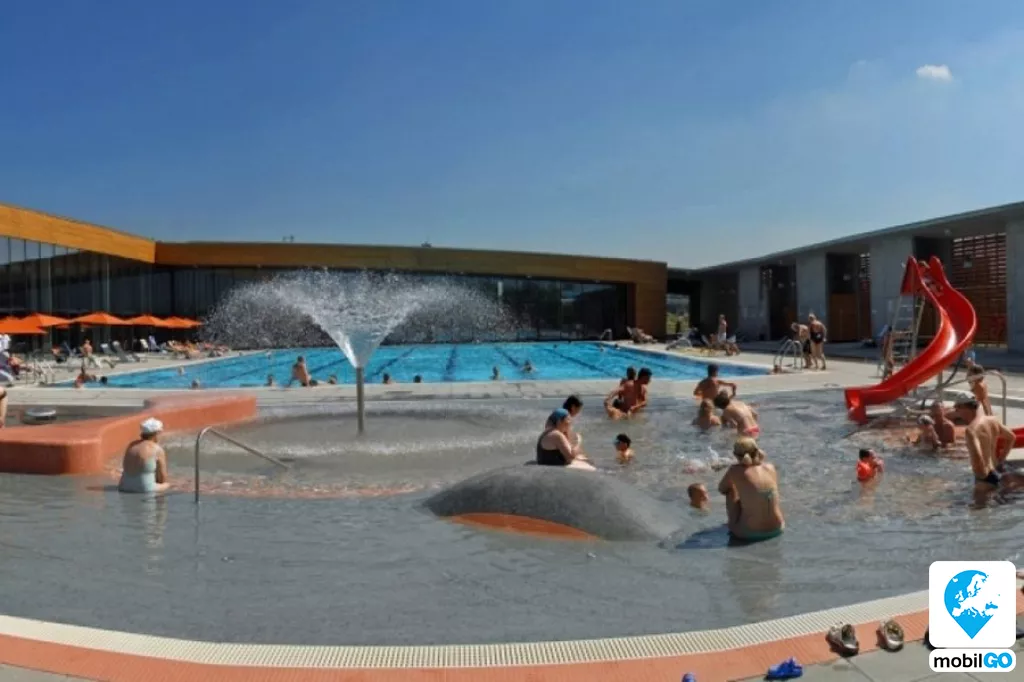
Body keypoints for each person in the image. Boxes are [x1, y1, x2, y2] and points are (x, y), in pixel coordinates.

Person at [717, 437, 784, 541]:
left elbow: (722, 489)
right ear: (757, 451)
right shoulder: (770, 467)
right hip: (777, 528)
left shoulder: (735, 470)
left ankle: (733, 523)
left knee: (730, 490)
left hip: (749, 533)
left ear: (735, 455)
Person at [954, 397, 1022, 493]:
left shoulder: (971, 430)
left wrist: (981, 478)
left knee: (978, 502)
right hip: (997, 470)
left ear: (965, 407)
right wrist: (1001, 458)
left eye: (957, 409)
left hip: (985, 478)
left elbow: (977, 458)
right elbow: (1011, 437)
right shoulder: (992, 420)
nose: (957, 413)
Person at [118, 418, 170, 494]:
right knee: (168, 484)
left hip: (123, 486)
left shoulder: (131, 445)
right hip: (144, 488)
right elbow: (162, 479)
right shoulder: (157, 449)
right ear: (156, 433)